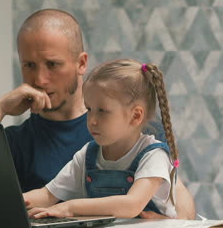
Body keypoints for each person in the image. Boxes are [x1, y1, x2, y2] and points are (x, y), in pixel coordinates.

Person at [0, 9, 195, 219]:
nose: (40, 80)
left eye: (52, 64)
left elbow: (173, 203)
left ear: (81, 63)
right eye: (29, 65)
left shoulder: (145, 138)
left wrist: (172, 227)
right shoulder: (81, 152)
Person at [24, 59, 178, 219]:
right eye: (89, 109)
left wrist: (69, 207)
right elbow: (47, 195)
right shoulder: (88, 155)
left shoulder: (155, 155)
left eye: (102, 111)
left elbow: (132, 205)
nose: (91, 120)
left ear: (135, 116)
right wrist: (13, 202)